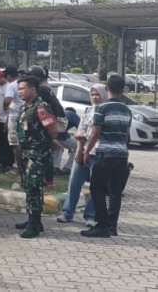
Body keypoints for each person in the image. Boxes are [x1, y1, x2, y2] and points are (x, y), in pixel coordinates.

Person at [79, 76, 133, 238]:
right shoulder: (127, 110)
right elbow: (126, 134)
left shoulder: (101, 108)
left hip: (104, 154)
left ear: (107, 89)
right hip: (121, 155)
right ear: (122, 90)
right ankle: (112, 226)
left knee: (97, 189)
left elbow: (95, 132)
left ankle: (102, 225)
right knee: (115, 192)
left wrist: (86, 151)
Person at [14, 76, 59, 238]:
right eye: (18, 89)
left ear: (33, 89)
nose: (20, 92)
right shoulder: (25, 107)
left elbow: (52, 129)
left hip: (38, 153)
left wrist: (44, 143)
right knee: (30, 186)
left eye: (22, 88)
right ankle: (34, 220)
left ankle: (34, 224)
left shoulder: (41, 106)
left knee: (34, 186)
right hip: (27, 152)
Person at [58, 84, 105, 225]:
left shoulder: (105, 111)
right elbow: (81, 130)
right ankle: (67, 213)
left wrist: (85, 139)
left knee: (95, 186)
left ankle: (90, 216)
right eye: (92, 94)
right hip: (83, 150)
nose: (95, 97)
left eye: (97, 94)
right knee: (74, 182)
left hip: (97, 152)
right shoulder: (88, 110)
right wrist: (79, 149)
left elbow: (97, 133)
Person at [3, 67, 24, 175]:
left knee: (15, 143)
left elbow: (7, 100)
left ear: (9, 76)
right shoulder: (24, 83)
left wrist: (4, 108)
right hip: (25, 115)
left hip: (15, 116)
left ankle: (19, 167)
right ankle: (24, 166)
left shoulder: (11, 85)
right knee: (24, 141)